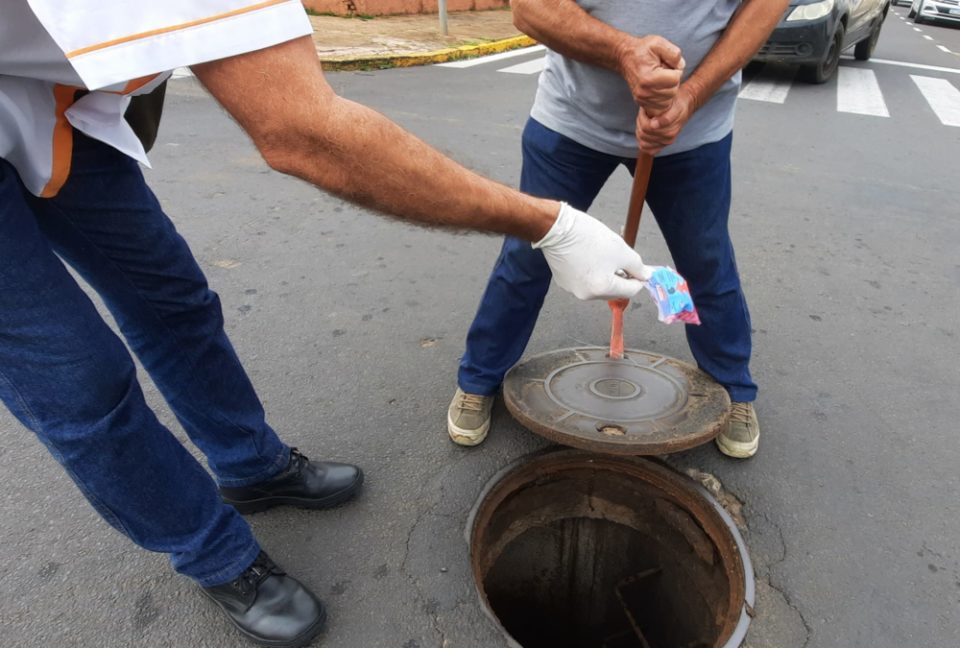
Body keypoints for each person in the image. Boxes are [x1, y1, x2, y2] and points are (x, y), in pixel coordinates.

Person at [0, 2, 653, 646]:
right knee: (78, 378)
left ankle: (249, 467)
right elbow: (304, 132)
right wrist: (553, 225)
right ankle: (215, 556)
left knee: (173, 301)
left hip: (48, 107)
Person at [448, 0, 790, 459]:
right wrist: (625, 53)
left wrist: (688, 98)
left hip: (694, 128)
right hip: (572, 121)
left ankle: (734, 387)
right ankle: (480, 378)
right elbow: (531, 10)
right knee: (528, 255)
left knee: (705, 261)